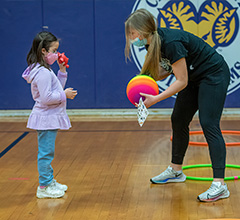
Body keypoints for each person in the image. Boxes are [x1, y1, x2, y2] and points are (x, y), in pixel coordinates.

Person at [125, 9, 230, 202]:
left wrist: (155, 99)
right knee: (179, 119)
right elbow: (167, 69)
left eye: (132, 34)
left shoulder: (171, 42)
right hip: (194, 77)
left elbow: (181, 81)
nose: (131, 38)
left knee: (209, 124)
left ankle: (220, 185)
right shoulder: (152, 44)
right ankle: (176, 171)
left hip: (213, 75)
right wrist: (143, 83)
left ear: (142, 31)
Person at [22, 31, 77, 199]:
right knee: (46, 153)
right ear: (43, 51)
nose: (57, 54)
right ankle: (44, 186)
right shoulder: (43, 72)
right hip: (45, 118)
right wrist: (64, 95)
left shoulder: (45, 69)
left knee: (48, 152)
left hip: (48, 118)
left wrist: (62, 72)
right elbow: (47, 98)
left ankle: (49, 180)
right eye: (54, 50)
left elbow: (55, 89)